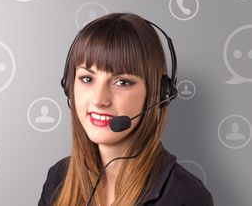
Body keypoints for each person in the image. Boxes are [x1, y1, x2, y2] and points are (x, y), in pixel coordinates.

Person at [38, 13, 213, 206]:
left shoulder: (185, 196)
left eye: (122, 82)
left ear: (158, 94)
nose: (99, 99)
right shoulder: (58, 178)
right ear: (69, 86)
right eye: (87, 79)